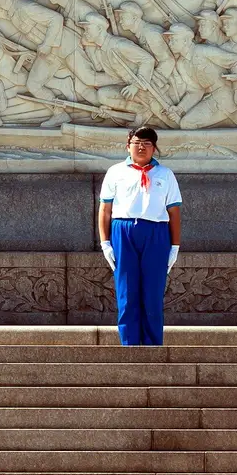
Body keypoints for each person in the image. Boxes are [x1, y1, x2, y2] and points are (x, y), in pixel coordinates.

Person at [98, 126, 182, 346]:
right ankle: (129, 345)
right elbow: (105, 210)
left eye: (147, 143)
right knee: (127, 293)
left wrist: (175, 246)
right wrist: (105, 242)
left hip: (156, 232)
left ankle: (153, 345)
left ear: (154, 148)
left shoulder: (165, 174)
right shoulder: (115, 172)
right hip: (123, 231)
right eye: (137, 142)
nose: (141, 147)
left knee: (152, 294)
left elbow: (174, 212)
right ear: (128, 145)